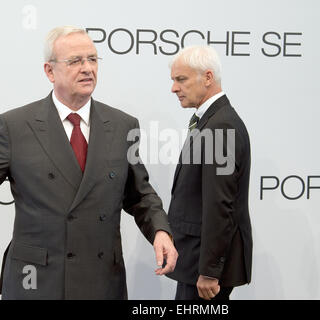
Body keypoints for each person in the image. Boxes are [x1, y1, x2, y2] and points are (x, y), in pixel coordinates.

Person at [0, 26, 177, 300]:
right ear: (49, 71)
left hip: (101, 280)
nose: (87, 68)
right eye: (75, 61)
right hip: (36, 280)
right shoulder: (13, 126)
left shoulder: (122, 125)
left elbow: (139, 194)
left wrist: (161, 231)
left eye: (92, 59)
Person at [166, 45, 252, 300]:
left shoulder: (220, 126)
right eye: (173, 80)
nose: (174, 88)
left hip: (205, 271)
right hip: (196, 262)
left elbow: (219, 204)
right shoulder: (211, 121)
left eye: (181, 79)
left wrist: (210, 272)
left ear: (207, 77)